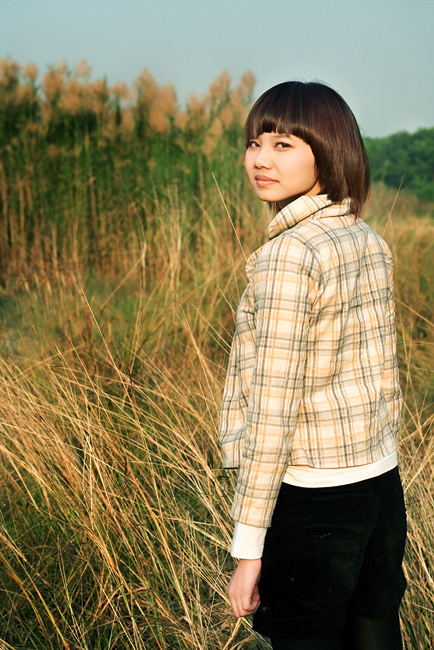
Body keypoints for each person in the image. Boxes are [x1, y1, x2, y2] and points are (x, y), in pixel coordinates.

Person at [219, 81, 407, 649]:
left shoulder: (290, 255)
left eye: (283, 145)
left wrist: (248, 549)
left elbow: (272, 411)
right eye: (255, 143)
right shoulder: (365, 237)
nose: (261, 160)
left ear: (328, 151)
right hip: (379, 484)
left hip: (313, 496)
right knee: (374, 631)